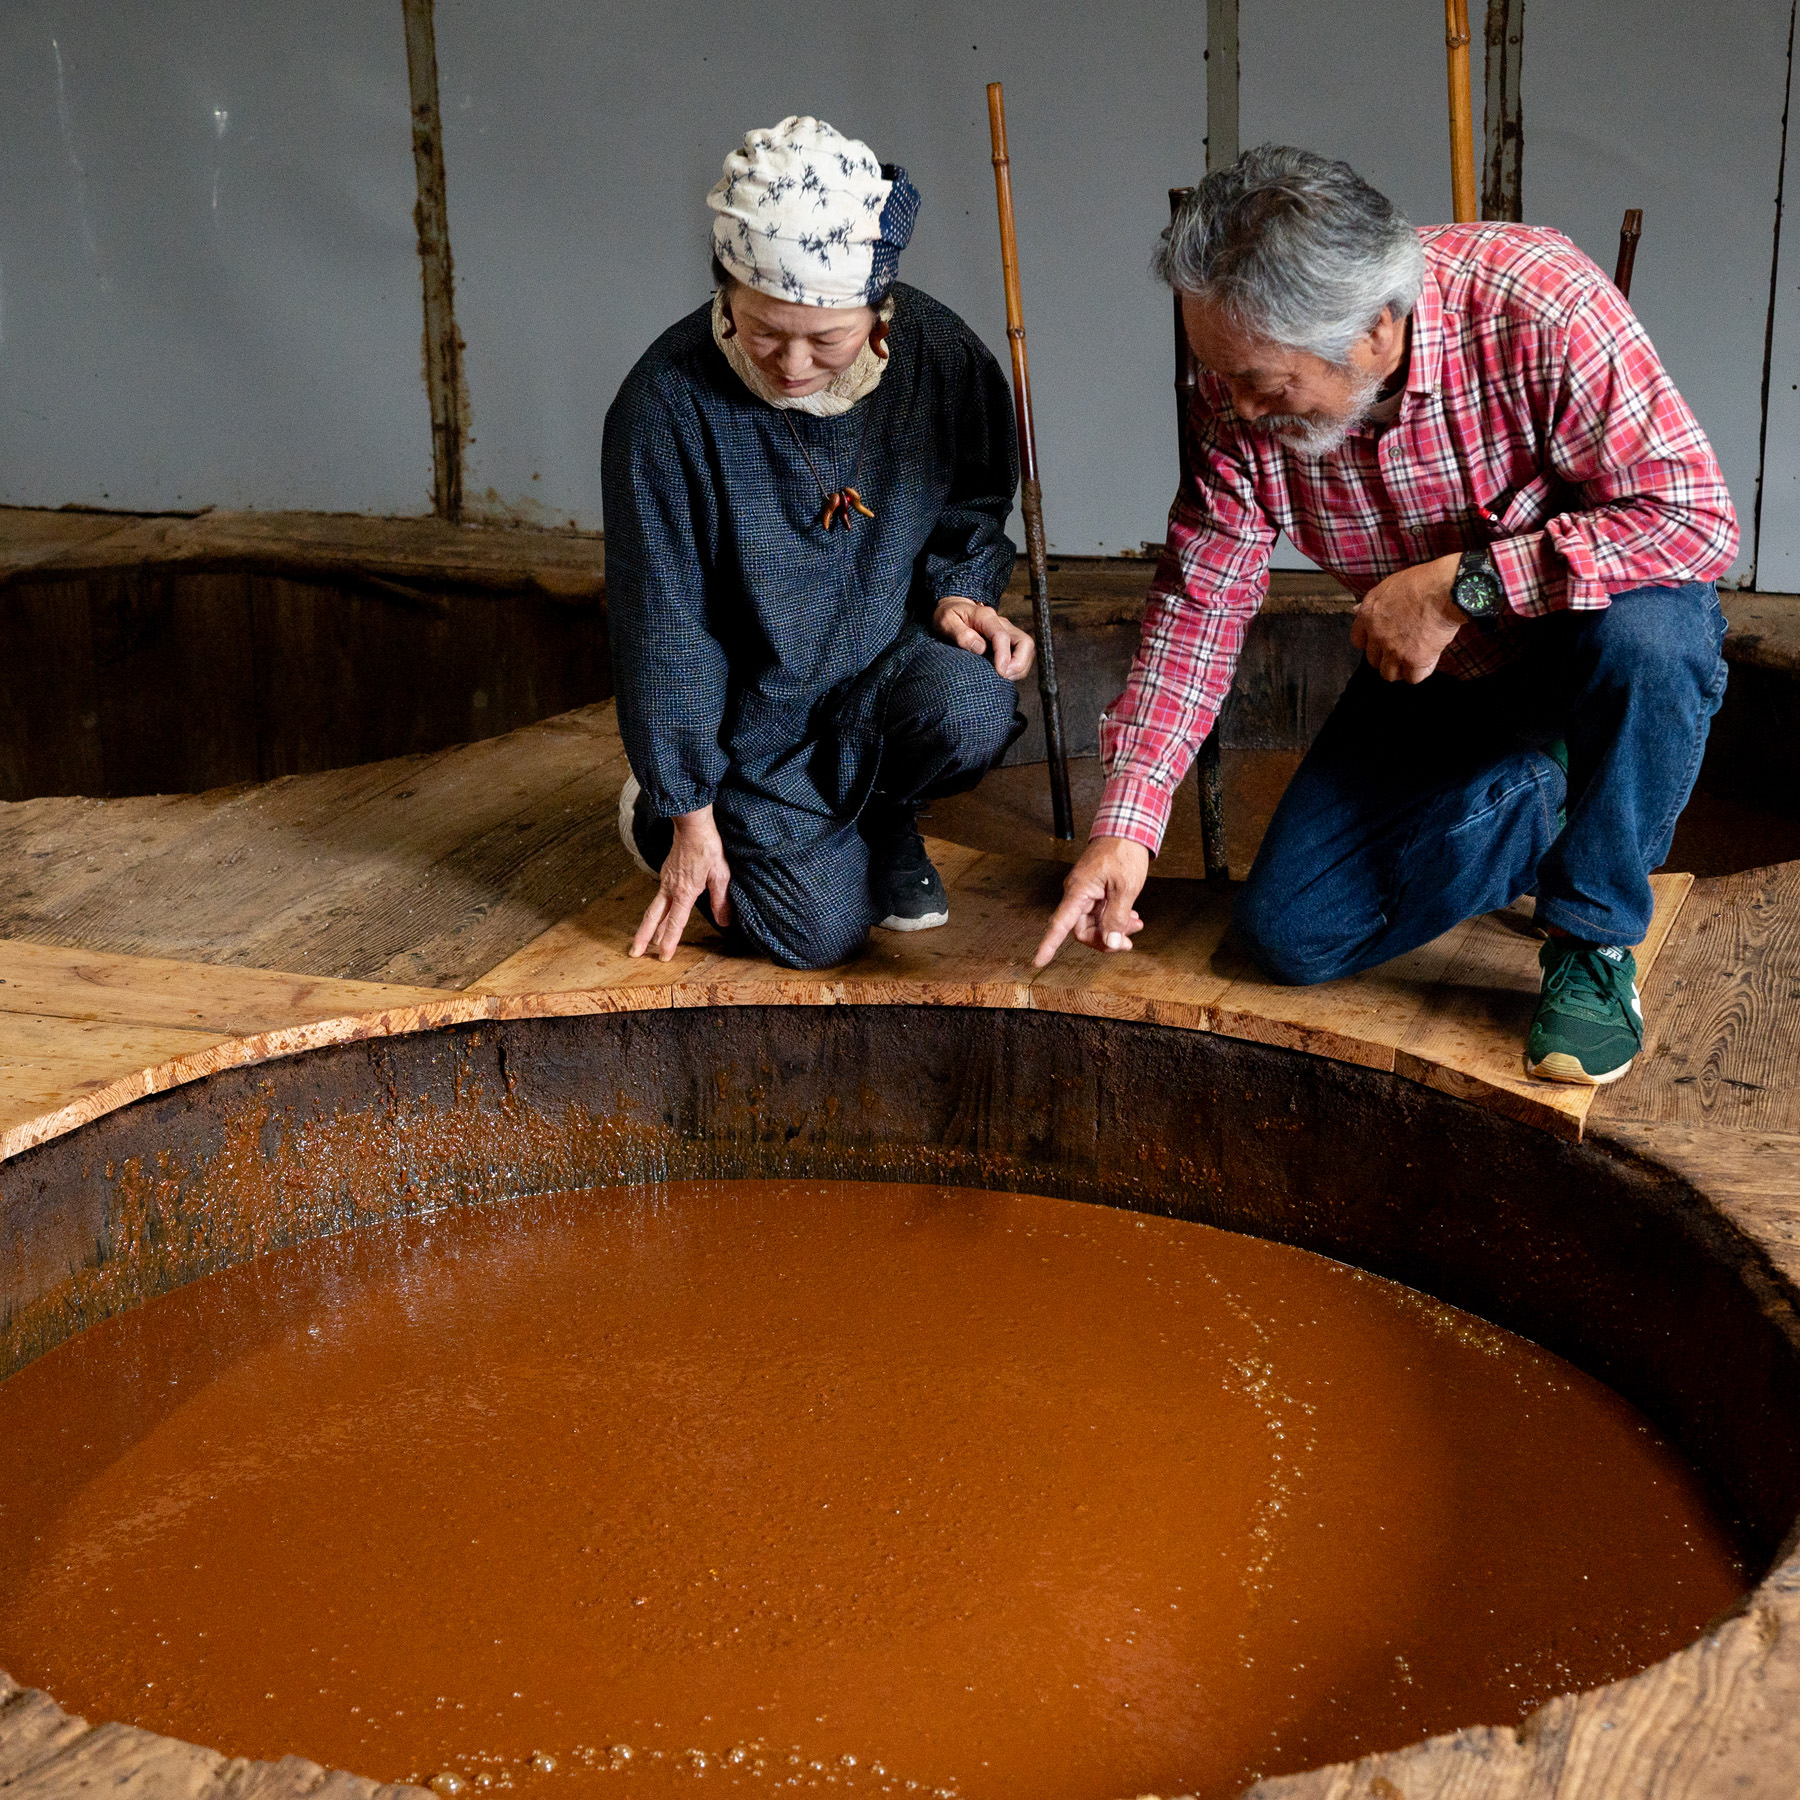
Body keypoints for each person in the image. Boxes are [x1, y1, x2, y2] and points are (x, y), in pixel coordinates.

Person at [1035, 146, 1736, 1086]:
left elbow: (1692, 520)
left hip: (1592, 634)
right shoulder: (1237, 392)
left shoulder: (1542, 302)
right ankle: (1572, 786)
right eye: (1221, 375)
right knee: (1291, 932)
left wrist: (1461, 586)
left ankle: (1594, 932)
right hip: (1450, 674)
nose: (1234, 408)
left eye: (1265, 386)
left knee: (1653, 639)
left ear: (1375, 327)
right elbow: (1200, 601)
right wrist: (1128, 823)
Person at [603, 115, 1033, 971]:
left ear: (879, 310)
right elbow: (666, 629)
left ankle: (882, 814)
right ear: (724, 289)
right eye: (763, 331)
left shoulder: (939, 355)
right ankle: (661, 815)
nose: (792, 364)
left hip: (880, 667)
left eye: (826, 340)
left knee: (972, 705)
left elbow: (974, 498)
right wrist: (690, 812)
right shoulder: (663, 406)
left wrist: (961, 588)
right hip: (747, 723)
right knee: (820, 935)